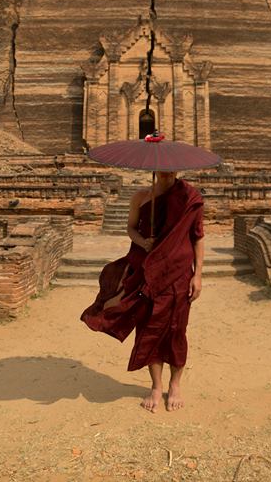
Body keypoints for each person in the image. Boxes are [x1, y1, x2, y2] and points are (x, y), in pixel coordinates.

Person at [81, 171, 205, 413]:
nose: (167, 170)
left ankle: (175, 384)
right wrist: (143, 242)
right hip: (147, 270)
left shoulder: (189, 197)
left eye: (172, 166)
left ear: (178, 168)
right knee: (149, 327)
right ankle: (157, 386)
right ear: (155, 169)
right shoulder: (141, 197)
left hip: (179, 272)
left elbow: (197, 237)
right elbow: (130, 228)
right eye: (162, 166)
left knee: (177, 329)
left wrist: (197, 275)